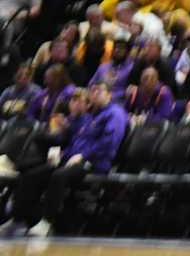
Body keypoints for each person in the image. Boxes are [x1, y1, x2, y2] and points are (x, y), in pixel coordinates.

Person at [2, 81, 126, 237]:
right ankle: (17, 219)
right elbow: (76, 143)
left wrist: (83, 156)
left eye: (99, 91)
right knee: (32, 174)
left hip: (95, 163)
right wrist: (62, 155)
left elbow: (109, 142)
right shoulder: (91, 116)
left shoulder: (115, 114)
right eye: (93, 91)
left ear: (109, 94)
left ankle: (47, 223)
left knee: (58, 176)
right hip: (73, 160)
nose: (94, 94)